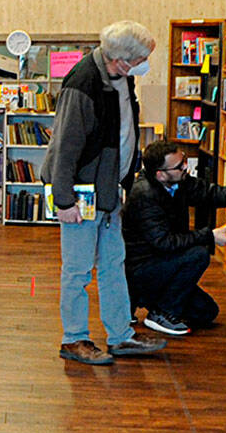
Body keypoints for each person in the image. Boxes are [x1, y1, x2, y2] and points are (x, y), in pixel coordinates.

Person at [42, 20, 166, 366]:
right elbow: (64, 146)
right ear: (121, 59)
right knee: (78, 270)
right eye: (142, 57)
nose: (146, 63)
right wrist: (63, 200)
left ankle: (120, 336)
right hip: (81, 192)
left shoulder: (123, 78)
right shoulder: (83, 82)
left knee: (113, 264)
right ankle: (74, 339)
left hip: (110, 188)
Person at [123, 140, 226, 335]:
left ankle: (151, 300)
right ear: (160, 174)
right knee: (199, 254)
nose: (186, 167)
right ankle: (161, 312)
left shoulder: (178, 181)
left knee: (206, 312)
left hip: (164, 263)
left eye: (184, 160)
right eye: (179, 166)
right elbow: (164, 242)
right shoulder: (144, 195)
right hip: (143, 268)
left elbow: (210, 194)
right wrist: (210, 236)